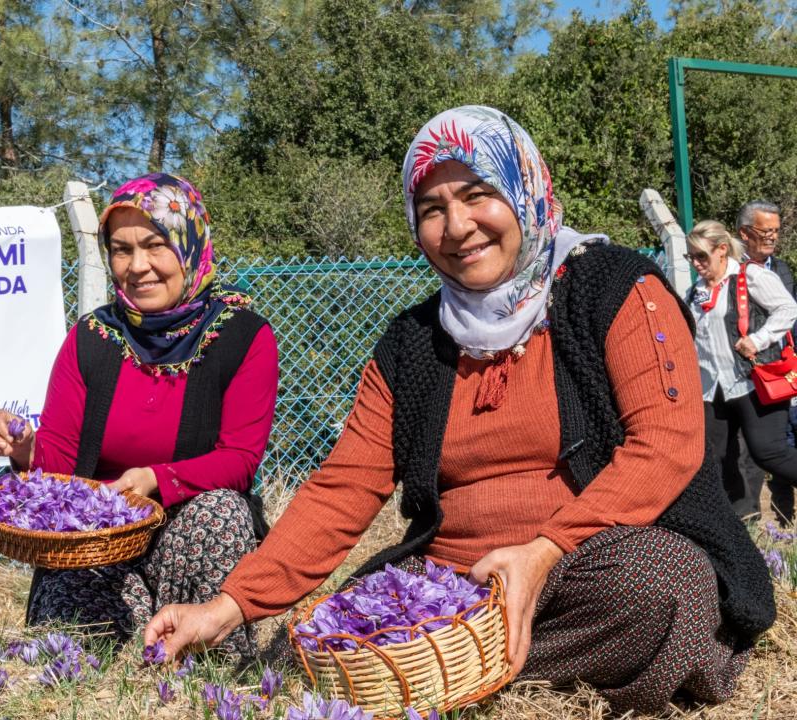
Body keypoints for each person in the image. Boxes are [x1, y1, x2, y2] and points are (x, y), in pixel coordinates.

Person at [143, 106, 775, 715]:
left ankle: (436, 671)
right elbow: (344, 486)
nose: (458, 226)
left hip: (587, 565)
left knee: (658, 587)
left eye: (477, 194)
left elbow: (665, 444)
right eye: (432, 209)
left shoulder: (614, 287)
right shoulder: (412, 342)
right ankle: (455, 659)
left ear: (525, 189)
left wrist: (544, 551)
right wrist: (229, 606)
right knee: (314, 638)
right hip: (455, 586)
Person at [0, 172, 279, 658]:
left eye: (155, 245)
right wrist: (24, 449)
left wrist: (154, 479)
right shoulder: (91, 341)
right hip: (100, 550)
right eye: (120, 250)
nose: (137, 267)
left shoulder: (242, 337)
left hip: (190, 539)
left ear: (190, 244)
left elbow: (239, 459)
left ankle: (215, 653)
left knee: (221, 511)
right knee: (69, 653)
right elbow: (60, 461)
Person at [685, 220, 797, 525]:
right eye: (690, 257)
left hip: (753, 380)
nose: (696, 263)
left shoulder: (750, 276)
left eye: (701, 256)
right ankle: (742, 524)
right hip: (712, 387)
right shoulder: (695, 292)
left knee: (768, 453)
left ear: (722, 250)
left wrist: (757, 340)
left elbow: (788, 309)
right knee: (716, 458)